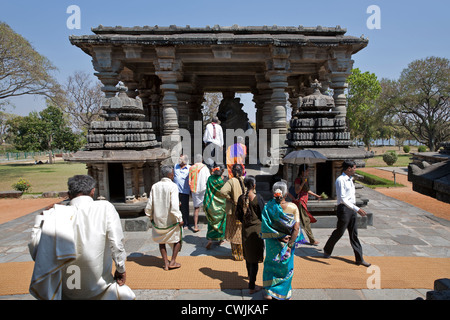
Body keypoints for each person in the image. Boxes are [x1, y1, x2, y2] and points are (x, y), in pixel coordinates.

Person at [28, 175, 135, 300]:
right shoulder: (105, 207)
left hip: (70, 287)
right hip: (100, 284)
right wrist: (120, 268)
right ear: (93, 191)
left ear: (69, 194)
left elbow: (37, 250)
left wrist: (41, 218)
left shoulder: (56, 214)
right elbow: (116, 243)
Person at [261, 181, 307, 300]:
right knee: (286, 268)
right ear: (285, 194)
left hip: (272, 241)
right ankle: (284, 293)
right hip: (288, 242)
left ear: (274, 193)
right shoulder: (293, 207)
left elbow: (265, 226)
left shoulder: (268, 207)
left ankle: (269, 292)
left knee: (271, 265)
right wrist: (291, 243)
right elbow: (296, 228)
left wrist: (278, 236)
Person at [323, 160, 371, 267]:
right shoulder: (341, 180)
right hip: (344, 209)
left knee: (354, 234)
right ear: (348, 168)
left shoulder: (350, 179)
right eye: (354, 167)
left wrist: (355, 209)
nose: (355, 169)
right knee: (340, 232)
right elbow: (343, 198)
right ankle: (327, 249)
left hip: (352, 209)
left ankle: (359, 259)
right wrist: (357, 209)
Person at [145, 165, 184, 271]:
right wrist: (179, 218)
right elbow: (174, 206)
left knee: (161, 241)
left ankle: (166, 263)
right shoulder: (173, 186)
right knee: (177, 240)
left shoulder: (155, 186)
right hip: (170, 219)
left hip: (158, 218)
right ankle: (173, 261)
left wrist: (149, 215)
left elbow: (150, 203)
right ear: (170, 174)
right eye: (173, 173)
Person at [236, 175, 265, 294]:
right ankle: (252, 286)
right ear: (254, 185)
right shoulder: (258, 198)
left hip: (245, 230)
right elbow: (263, 214)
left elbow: (238, 215)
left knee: (248, 257)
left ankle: (250, 278)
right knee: (255, 259)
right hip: (256, 231)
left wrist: (245, 221)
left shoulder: (241, 198)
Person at [220, 163, 246, 261]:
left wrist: (230, 198)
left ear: (232, 172)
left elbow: (222, 192)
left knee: (234, 232)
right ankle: (243, 253)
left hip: (233, 210)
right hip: (244, 209)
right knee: (242, 231)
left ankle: (237, 254)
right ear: (242, 171)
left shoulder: (231, 181)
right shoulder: (245, 180)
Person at [291, 164, 321, 245]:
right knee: (306, 221)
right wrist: (302, 183)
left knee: (298, 221)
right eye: (307, 170)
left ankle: (292, 237)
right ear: (302, 171)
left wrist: (316, 195)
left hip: (304, 202)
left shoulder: (305, 180)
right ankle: (312, 240)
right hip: (300, 202)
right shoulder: (298, 180)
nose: (308, 172)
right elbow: (297, 191)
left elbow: (307, 190)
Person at [204, 165, 227, 249]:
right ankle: (221, 239)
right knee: (222, 223)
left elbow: (207, 189)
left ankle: (210, 239)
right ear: (223, 171)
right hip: (222, 205)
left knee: (211, 222)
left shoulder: (210, 179)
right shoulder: (224, 180)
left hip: (211, 204)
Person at [188, 154, 211, 232]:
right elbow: (208, 179)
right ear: (202, 160)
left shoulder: (191, 168)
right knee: (207, 208)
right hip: (203, 189)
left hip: (195, 190)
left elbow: (189, 180)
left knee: (196, 209)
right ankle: (210, 224)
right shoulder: (205, 168)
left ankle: (195, 226)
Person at [174, 154, 191, 228]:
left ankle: (186, 222)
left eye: (181, 159)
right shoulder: (176, 166)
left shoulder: (189, 168)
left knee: (184, 207)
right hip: (175, 191)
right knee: (176, 207)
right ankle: (177, 222)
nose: (179, 160)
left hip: (184, 191)